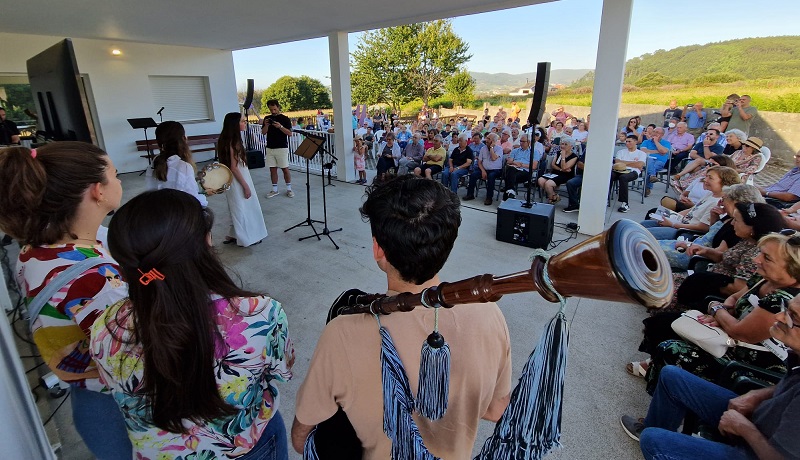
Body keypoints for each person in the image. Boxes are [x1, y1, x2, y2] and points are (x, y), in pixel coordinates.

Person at [291, 176, 512, 458]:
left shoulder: (343, 333)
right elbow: (496, 409)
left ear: (377, 249)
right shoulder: (489, 313)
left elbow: (302, 439)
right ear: (448, 244)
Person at [91, 189, 294, 459]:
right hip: (245, 446)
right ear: (206, 243)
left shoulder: (105, 327)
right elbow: (281, 371)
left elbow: (111, 386)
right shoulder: (261, 313)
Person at [0, 143, 131, 458]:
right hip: (120, 407)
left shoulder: (35, 249)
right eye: (114, 174)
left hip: (86, 397)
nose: (120, 181)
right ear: (97, 191)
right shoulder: (98, 280)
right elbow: (136, 358)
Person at [622, 292, 800, 460]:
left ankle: (666, 446)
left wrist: (744, 428)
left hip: (756, 452)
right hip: (759, 420)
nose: (779, 316)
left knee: (653, 441)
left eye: (794, 317)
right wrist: (760, 395)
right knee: (672, 377)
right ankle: (661, 434)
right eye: (786, 308)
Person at [658, 184, 765, 272]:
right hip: (693, 246)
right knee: (648, 242)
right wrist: (715, 216)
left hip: (692, 255)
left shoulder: (737, 227)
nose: (722, 201)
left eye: (725, 198)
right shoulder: (729, 217)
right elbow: (712, 234)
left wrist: (689, 245)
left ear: (735, 202)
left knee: (647, 248)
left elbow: (718, 254)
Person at [640, 166, 741, 239]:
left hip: (685, 231)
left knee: (643, 234)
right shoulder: (711, 194)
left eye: (710, 178)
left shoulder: (717, 203)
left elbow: (703, 227)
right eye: (706, 176)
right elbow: (692, 209)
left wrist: (673, 224)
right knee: (642, 225)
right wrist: (671, 217)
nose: (705, 180)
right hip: (681, 222)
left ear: (725, 182)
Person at [218, 112, 268, 247]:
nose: (245, 123)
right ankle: (246, 237)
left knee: (237, 207)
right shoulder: (234, 143)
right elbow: (234, 167)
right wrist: (245, 186)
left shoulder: (225, 140)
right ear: (234, 125)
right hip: (238, 179)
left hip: (233, 178)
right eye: (242, 121)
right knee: (243, 208)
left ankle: (233, 234)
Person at [145, 120, 208, 206]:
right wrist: (205, 194)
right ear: (184, 139)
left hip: (159, 212)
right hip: (180, 215)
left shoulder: (154, 162)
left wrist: (195, 179)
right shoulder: (184, 166)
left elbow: (168, 184)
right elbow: (193, 200)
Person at [261, 99, 294, 198]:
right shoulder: (267, 118)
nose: (273, 112)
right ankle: (274, 190)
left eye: (275, 109)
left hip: (282, 147)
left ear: (278, 107)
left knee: (285, 169)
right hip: (270, 147)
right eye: (271, 110)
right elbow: (263, 132)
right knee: (272, 170)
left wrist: (280, 127)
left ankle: (289, 189)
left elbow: (289, 133)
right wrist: (266, 125)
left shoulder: (285, 119)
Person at [612, 135, 648, 213]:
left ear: (635, 142)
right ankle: (605, 198)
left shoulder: (641, 153)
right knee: (610, 176)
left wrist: (624, 162)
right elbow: (617, 162)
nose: (627, 143)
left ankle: (625, 203)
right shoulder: (621, 152)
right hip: (618, 170)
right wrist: (633, 163)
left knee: (623, 178)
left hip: (633, 172)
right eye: (626, 141)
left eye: (629, 141)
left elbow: (639, 165)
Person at [537, 136, 578, 204]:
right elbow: (553, 165)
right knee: (540, 180)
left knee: (548, 184)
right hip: (555, 173)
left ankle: (551, 199)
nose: (563, 146)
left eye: (565, 144)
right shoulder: (558, 152)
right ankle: (554, 196)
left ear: (571, 146)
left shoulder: (574, 157)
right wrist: (561, 169)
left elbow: (564, 167)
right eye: (562, 144)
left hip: (566, 175)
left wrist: (563, 157)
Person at [467, 132, 504, 205]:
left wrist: (491, 148)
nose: (486, 140)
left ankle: (489, 198)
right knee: (473, 175)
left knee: (491, 176)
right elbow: (479, 162)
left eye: (489, 139)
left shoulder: (499, 149)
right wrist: (483, 171)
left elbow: (493, 158)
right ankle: (470, 194)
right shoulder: (483, 148)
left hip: (495, 170)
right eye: (487, 138)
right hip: (484, 169)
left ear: (493, 141)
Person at [501, 133, 539, 201]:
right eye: (520, 141)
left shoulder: (534, 152)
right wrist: (515, 163)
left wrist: (521, 165)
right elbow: (509, 162)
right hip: (513, 170)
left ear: (529, 142)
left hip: (525, 172)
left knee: (509, 174)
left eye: (523, 141)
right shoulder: (515, 150)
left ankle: (506, 198)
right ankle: (511, 192)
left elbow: (533, 166)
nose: (521, 143)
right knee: (511, 170)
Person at [641, 127, 672, 197]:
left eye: (657, 132)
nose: (655, 133)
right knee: (650, 160)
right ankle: (652, 176)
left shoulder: (666, 143)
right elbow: (643, 151)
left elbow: (664, 151)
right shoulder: (646, 142)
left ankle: (648, 185)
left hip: (659, 162)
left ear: (662, 135)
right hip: (646, 161)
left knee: (652, 166)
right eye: (654, 131)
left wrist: (656, 141)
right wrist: (658, 151)